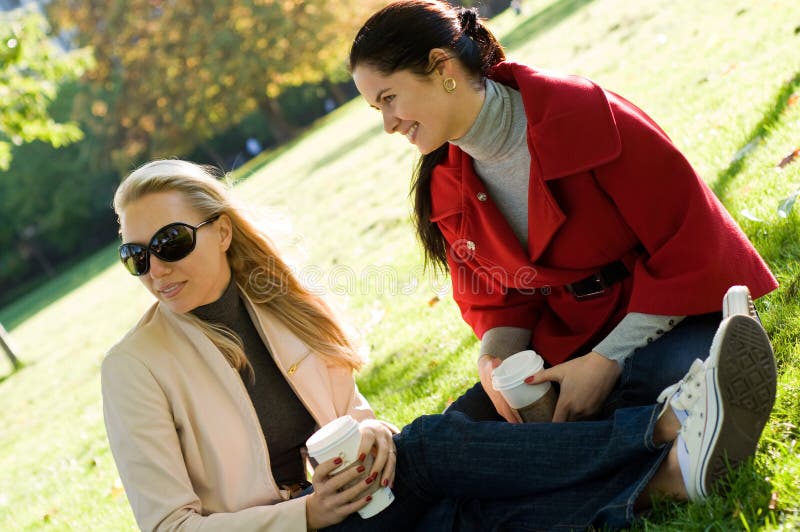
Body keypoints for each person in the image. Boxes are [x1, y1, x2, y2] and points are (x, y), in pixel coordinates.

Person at [104, 159, 776, 531]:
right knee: (432, 445)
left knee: (456, 509)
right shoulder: (135, 368)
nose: (156, 269)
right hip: (306, 528)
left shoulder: (278, 306)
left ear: (220, 232)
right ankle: (665, 429)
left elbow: (355, 417)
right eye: (137, 256)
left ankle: (666, 483)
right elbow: (169, 528)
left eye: (170, 243)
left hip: (360, 511)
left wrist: (373, 439)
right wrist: (304, 516)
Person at [348, 0, 779, 424]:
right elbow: (501, 305)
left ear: (442, 68)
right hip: (567, 346)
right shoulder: (443, 187)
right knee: (452, 427)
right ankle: (646, 434)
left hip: (672, 320)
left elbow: (691, 247)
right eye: (376, 109)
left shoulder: (581, 114)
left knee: (663, 379)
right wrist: (497, 366)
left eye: (389, 98)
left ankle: (633, 437)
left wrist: (605, 361)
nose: (388, 124)